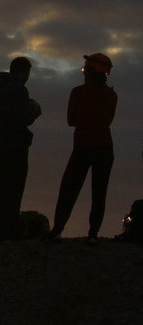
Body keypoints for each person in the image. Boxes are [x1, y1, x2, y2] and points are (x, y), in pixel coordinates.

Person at [45, 53, 118, 244]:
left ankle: (57, 230)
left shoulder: (78, 93)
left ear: (90, 72)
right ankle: (93, 234)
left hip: (83, 146)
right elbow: (107, 120)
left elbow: (71, 120)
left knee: (69, 189)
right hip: (105, 148)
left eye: (85, 69)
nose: (83, 72)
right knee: (99, 192)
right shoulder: (111, 95)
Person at [0, 56, 41, 242]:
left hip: (1, 144)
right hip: (15, 145)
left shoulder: (0, 88)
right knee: (14, 189)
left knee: (1, 188)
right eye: (28, 72)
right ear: (24, 71)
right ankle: (9, 230)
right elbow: (21, 119)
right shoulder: (19, 89)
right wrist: (33, 111)